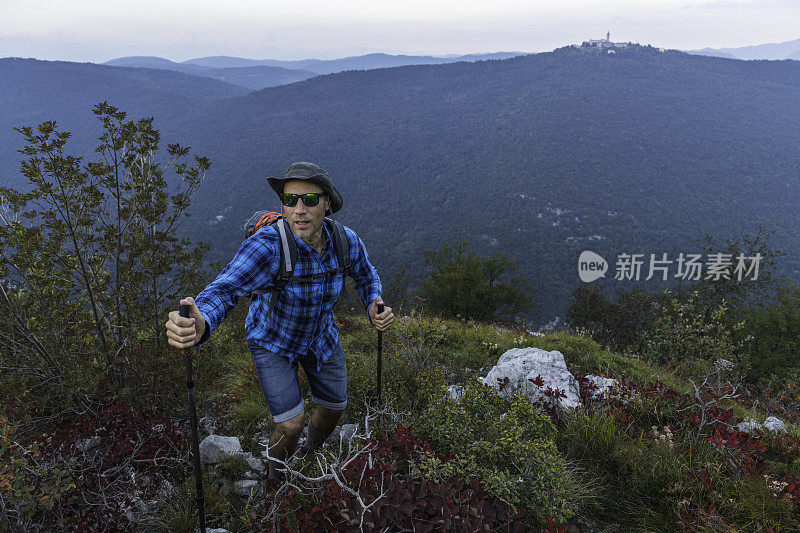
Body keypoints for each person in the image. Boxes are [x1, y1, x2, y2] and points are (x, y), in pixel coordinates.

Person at [165, 162, 394, 481]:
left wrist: (374, 303)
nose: (299, 210)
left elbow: (367, 275)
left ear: (326, 203)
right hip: (273, 341)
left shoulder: (345, 242)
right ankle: (276, 477)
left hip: (320, 338)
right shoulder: (269, 245)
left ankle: (311, 455)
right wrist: (201, 320)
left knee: (334, 406)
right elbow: (226, 287)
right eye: (290, 200)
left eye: (310, 200)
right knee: (290, 425)